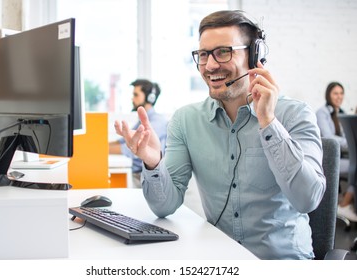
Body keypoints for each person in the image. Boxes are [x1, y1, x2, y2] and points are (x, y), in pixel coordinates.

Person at [114, 10, 325, 259]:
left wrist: (269, 123)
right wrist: (153, 162)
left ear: (254, 55)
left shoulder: (295, 114)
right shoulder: (186, 120)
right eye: (203, 54)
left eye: (223, 51)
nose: (211, 65)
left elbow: (308, 199)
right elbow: (165, 206)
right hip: (220, 262)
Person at [109, 79, 168, 188]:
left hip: (149, 179)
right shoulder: (143, 120)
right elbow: (123, 140)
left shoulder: (156, 122)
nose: (132, 98)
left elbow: (131, 148)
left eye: (136, 95)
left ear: (150, 98)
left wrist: (98, 150)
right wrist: (100, 146)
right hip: (138, 175)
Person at [316, 82, 357, 221]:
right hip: (328, 161)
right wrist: (351, 143)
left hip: (340, 157)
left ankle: (347, 201)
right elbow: (329, 138)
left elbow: (346, 138)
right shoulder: (322, 113)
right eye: (335, 93)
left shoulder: (342, 113)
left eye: (341, 93)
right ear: (328, 95)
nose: (339, 97)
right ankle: (345, 203)